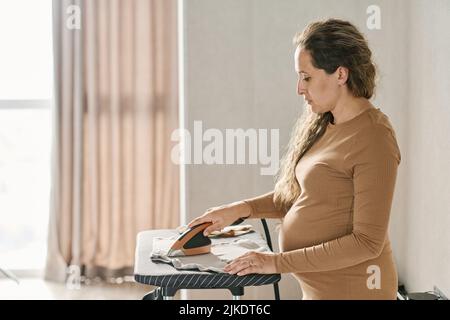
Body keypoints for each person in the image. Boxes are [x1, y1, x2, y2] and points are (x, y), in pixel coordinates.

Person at [188, 18, 401, 300]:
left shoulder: (374, 137)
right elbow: (302, 198)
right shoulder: (327, 123)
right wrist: (238, 209)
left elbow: (366, 243)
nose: (300, 89)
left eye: (307, 77)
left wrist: (276, 262)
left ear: (340, 74)